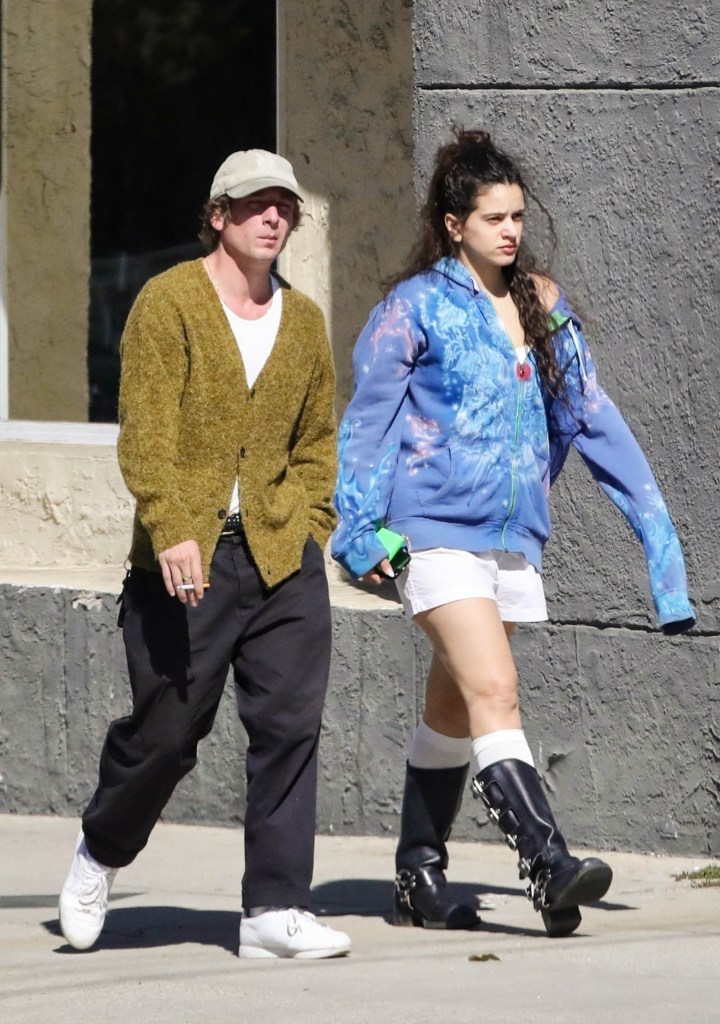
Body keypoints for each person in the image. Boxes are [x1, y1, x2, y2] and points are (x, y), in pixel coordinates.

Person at [331, 128, 695, 938]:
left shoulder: (543, 304)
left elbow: (596, 425)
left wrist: (660, 548)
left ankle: (417, 875)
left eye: (517, 216)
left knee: (456, 710)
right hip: (429, 533)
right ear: (453, 223)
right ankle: (548, 863)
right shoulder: (411, 309)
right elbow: (366, 430)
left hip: (509, 540)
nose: (509, 231)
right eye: (492, 217)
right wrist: (360, 534)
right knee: (494, 688)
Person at [59, 149, 351, 960]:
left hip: (280, 553)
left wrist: (310, 524)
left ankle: (272, 911)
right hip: (184, 561)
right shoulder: (169, 302)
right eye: (255, 204)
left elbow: (316, 441)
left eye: (284, 207)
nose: (273, 218)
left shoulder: (303, 322)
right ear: (217, 215)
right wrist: (170, 525)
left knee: (290, 725)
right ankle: (102, 850)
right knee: (167, 734)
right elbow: (145, 434)